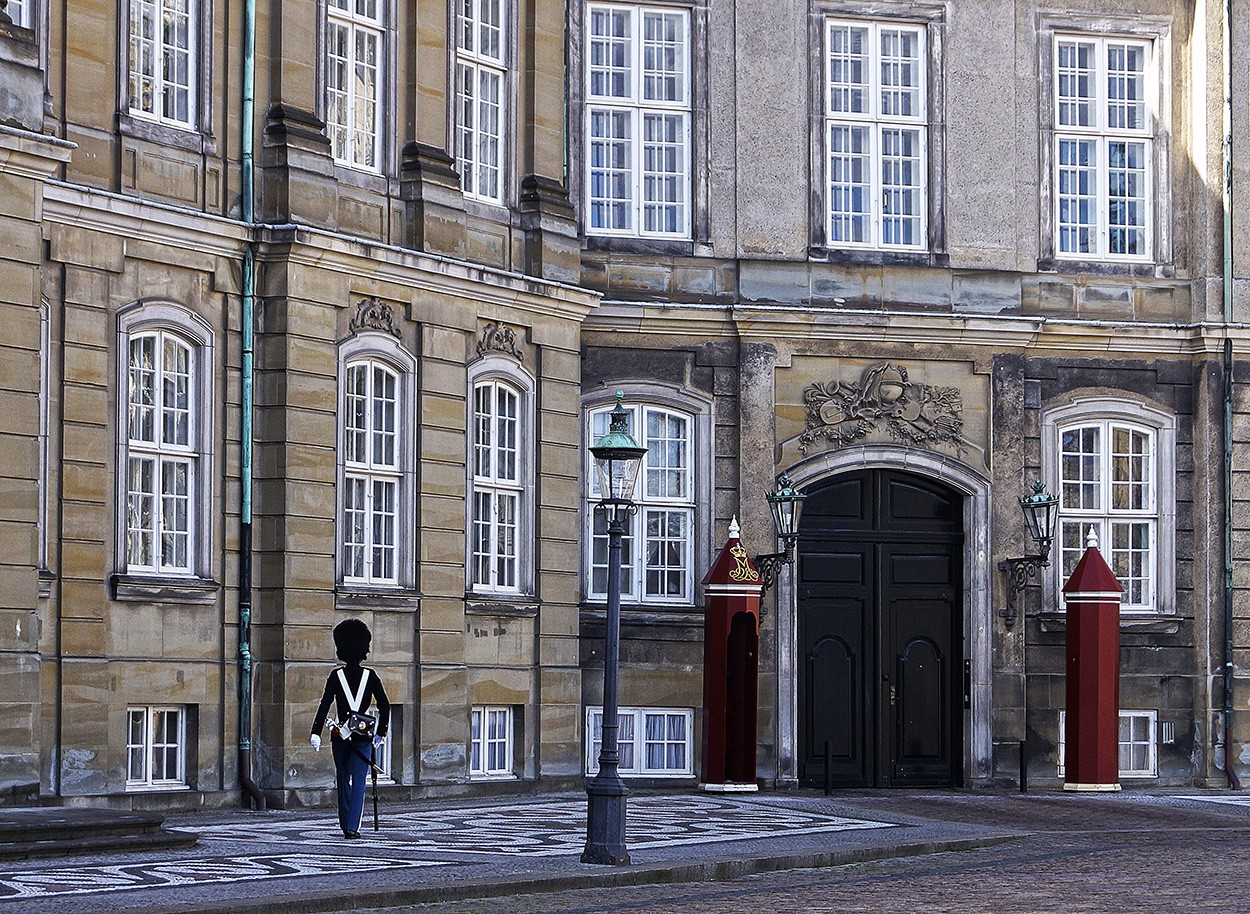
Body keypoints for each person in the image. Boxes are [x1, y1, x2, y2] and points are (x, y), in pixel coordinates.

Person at [311, 618, 390, 838]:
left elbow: (325, 703)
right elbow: (384, 705)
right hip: (363, 736)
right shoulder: (370, 676)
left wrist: (316, 731)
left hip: (340, 735)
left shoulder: (336, 676)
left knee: (343, 779)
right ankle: (352, 826)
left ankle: (345, 822)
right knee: (359, 783)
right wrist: (381, 732)